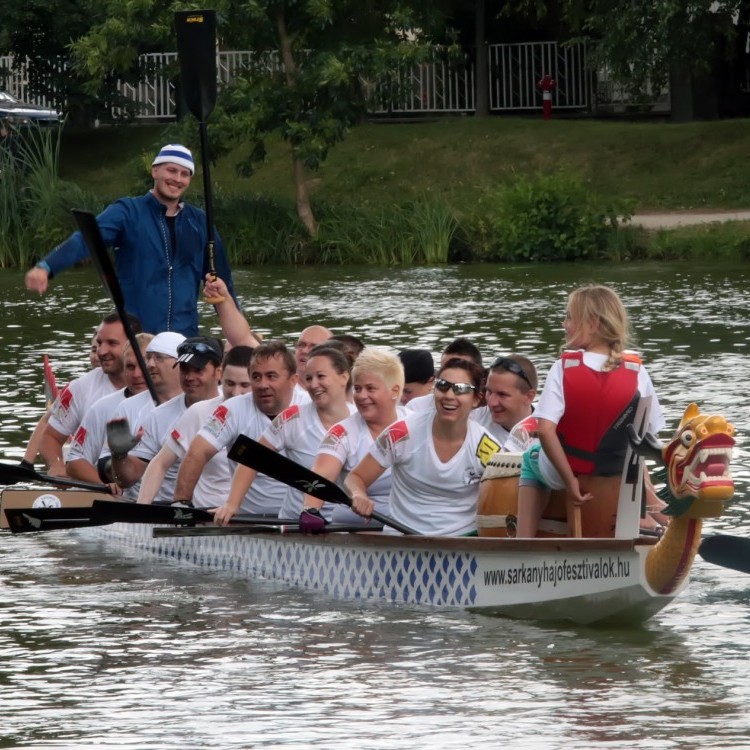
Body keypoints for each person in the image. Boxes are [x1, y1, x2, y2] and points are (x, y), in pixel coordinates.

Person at [24, 144, 238, 336]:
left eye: (184, 174)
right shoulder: (127, 211)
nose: (177, 179)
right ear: (155, 171)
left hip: (184, 337)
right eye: (171, 170)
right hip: (136, 336)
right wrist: (47, 266)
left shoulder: (200, 221)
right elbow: (86, 239)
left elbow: (222, 284)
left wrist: (240, 337)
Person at [516, 284, 665, 538]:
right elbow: (649, 432)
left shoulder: (563, 368)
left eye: (569, 317)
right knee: (638, 462)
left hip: (571, 472)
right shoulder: (637, 370)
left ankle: (523, 541)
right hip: (616, 471)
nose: (564, 324)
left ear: (593, 323)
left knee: (530, 457)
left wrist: (571, 482)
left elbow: (545, 430)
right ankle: (660, 518)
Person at [346, 358, 501, 536]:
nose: (449, 395)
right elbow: (356, 477)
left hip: (461, 544)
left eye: (460, 389)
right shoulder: (402, 433)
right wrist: (358, 494)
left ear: (476, 399)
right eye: (443, 386)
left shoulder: (487, 448)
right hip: (403, 540)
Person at [213, 345, 355, 525]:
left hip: (341, 524)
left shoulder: (360, 419)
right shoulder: (292, 418)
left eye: (321, 377)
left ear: (344, 377)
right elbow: (251, 458)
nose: (313, 385)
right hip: (295, 522)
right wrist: (231, 505)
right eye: (309, 378)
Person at [173, 340, 309, 513]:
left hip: (298, 519)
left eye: (271, 376)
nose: (262, 385)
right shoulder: (232, 409)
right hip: (247, 519)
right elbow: (197, 452)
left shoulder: (309, 408)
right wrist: (181, 503)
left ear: (293, 380)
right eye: (256, 377)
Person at [298, 347, 405, 532]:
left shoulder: (414, 423)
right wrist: (311, 509)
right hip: (356, 520)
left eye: (370, 388)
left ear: (394, 391)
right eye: (357, 388)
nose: (361, 396)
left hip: (404, 519)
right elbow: (321, 475)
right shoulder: (341, 432)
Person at [107, 336, 223, 502]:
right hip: (169, 509)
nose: (189, 377)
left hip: (225, 511)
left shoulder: (233, 408)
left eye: (198, 370)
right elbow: (127, 480)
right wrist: (119, 456)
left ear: (219, 371)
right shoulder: (158, 416)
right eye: (184, 369)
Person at [137, 346, 254, 506]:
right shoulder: (199, 412)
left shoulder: (273, 417)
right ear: (220, 376)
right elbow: (160, 464)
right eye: (230, 384)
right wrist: (142, 507)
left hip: (248, 514)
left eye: (244, 385)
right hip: (205, 515)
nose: (235, 392)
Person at [39, 311, 142, 476]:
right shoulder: (79, 388)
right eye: (99, 343)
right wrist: (57, 464)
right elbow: (50, 437)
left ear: (134, 345)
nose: (101, 351)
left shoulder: (159, 387)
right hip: (94, 485)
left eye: (111, 343)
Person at [66, 333, 153, 486]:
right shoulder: (102, 408)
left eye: (144, 367)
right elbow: (74, 461)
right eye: (130, 367)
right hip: (120, 499)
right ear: (123, 368)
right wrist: (105, 484)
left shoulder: (178, 404)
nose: (137, 374)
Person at [471, 355, 537, 446]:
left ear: (529, 397)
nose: (491, 402)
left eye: (502, 394)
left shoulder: (551, 432)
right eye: (489, 391)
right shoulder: (470, 422)